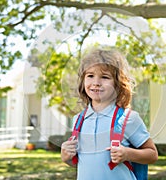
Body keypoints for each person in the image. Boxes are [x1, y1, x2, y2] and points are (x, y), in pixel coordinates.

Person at [61, 48, 158, 180]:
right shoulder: (78, 120)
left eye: (105, 77)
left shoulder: (128, 119)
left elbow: (152, 155)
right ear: (83, 81)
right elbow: (85, 163)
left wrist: (127, 154)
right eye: (90, 76)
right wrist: (66, 157)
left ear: (118, 84)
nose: (96, 82)